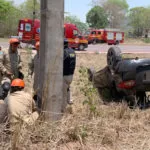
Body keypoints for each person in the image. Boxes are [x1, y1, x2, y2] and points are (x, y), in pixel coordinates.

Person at [63, 39, 76, 107]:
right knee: (67, 88)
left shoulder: (64, 52)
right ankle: (70, 102)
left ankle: (64, 107)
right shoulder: (72, 51)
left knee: (62, 91)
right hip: (71, 75)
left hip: (64, 75)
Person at [28, 41, 41, 108]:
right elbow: (31, 66)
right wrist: (29, 74)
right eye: (37, 47)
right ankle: (35, 105)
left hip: (43, 78)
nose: (38, 48)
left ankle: (41, 105)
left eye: (39, 47)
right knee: (35, 90)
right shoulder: (34, 57)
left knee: (42, 91)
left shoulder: (45, 57)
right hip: (36, 77)